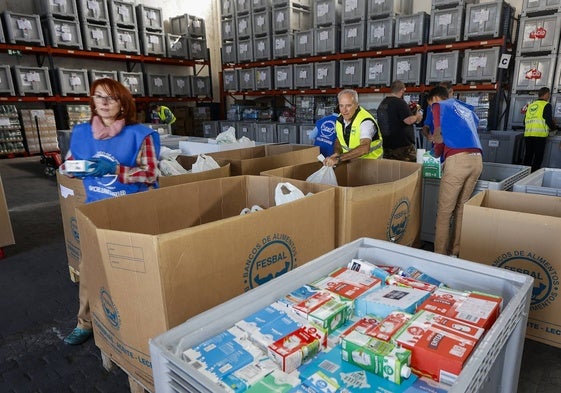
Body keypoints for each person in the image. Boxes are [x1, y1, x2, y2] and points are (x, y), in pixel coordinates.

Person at [60, 78, 161, 345]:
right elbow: (66, 167)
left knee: (134, 272)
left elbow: (150, 173)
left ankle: (139, 327)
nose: (104, 103)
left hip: (131, 212)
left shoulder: (140, 135)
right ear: (92, 101)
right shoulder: (82, 134)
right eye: (98, 97)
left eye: (111, 98)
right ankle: (85, 323)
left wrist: (114, 170)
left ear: (123, 104)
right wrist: (77, 168)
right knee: (90, 269)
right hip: (96, 211)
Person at [427, 85, 483, 257]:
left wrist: (435, 154)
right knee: (461, 209)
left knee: (444, 212)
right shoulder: (464, 108)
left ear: (435, 99)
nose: (431, 109)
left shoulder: (439, 106)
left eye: (430, 105)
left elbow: (439, 137)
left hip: (459, 161)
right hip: (477, 160)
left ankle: (439, 256)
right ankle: (454, 252)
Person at [323, 89, 383, 167]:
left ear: (356, 105)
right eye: (341, 105)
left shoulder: (366, 122)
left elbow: (364, 148)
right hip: (351, 165)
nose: (344, 110)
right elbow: (339, 140)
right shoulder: (339, 119)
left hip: (371, 166)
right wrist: (337, 153)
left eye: (348, 105)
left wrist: (339, 158)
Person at [376, 80, 423, 161]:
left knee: (391, 170)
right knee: (408, 170)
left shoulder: (383, 103)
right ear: (402, 90)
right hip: (402, 147)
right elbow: (408, 120)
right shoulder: (400, 102)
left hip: (387, 146)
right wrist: (417, 116)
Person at [524, 87, 559, 172]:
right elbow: (548, 121)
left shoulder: (531, 105)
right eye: (549, 94)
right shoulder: (546, 105)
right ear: (546, 94)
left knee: (528, 157)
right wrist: (555, 127)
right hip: (539, 136)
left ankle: (523, 177)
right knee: (538, 158)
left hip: (528, 135)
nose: (549, 96)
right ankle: (533, 177)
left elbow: (524, 122)